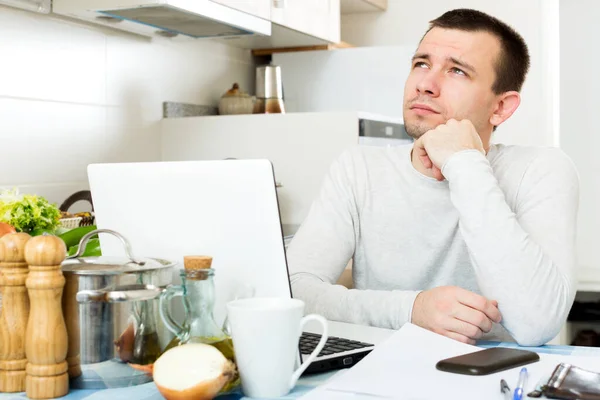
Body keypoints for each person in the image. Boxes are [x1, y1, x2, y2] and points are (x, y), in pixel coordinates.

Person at [286, 8, 579, 346]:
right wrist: (410, 309)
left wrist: (465, 163)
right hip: (381, 377)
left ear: (500, 107)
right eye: (421, 64)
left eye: (457, 71)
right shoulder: (358, 169)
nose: (425, 84)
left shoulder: (541, 170)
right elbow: (293, 291)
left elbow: (537, 324)